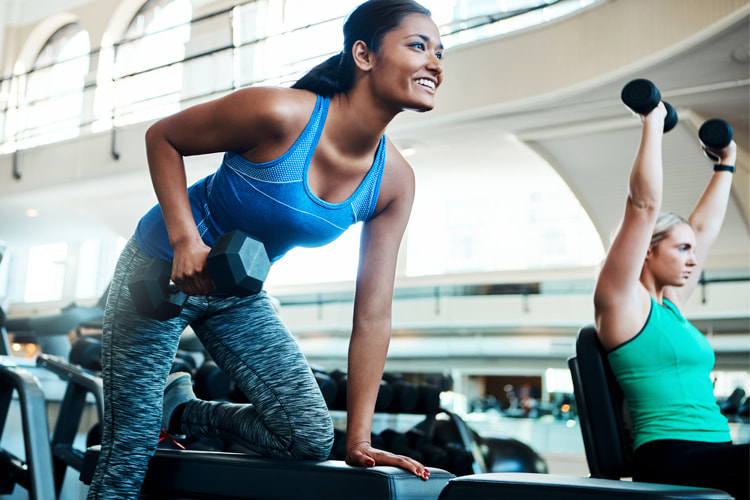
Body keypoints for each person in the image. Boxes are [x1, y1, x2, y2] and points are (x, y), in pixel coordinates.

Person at [87, 1, 444, 497]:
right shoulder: (281, 113)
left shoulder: (393, 183)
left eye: (440, 52)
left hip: (237, 292)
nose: (435, 62)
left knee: (308, 436)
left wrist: (359, 439)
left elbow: (373, 316)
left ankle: (183, 409)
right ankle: (155, 418)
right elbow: (163, 137)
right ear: (364, 55)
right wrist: (186, 240)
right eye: (418, 45)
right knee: (132, 445)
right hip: (160, 270)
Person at [593, 102, 748, 500]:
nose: (694, 259)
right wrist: (653, 120)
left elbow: (702, 228)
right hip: (671, 455)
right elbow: (643, 206)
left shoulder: (672, 306)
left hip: (716, 452)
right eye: (682, 249)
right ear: (647, 249)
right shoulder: (623, 305)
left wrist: (725, 163)